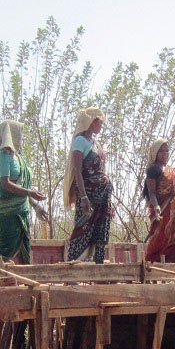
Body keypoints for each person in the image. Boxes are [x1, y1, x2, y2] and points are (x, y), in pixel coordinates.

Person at [0, 120, 47, 264]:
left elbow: (21, 187)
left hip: (22, 209)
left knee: (25, 246)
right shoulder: (3, 156)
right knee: (7, 246)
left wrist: (35, 206)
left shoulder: (19, 157)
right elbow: (5, 183)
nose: (21, 137)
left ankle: (26, 279)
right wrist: (30, 192)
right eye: (18, 134)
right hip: (8, 211)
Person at [62, 107, 111, 263]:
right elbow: (77, 170)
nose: (101, 126)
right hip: (89, 194)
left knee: (101, 231)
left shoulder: (96, 143)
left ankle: (99, 270)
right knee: (82, 229)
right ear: (91, 123)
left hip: (103, 195)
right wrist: (83, 197)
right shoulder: (80, 141)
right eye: (99, 122)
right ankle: (72, 271)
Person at [143, 138, 175, 263]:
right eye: (161, 151)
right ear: (155, 153)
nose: (165, 154)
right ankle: (154, 264)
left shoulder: (172, 171)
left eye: (167, 151)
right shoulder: (153, 170)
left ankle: (173, 264)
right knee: (160, 236)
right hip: (162, 208)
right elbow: (151, 192)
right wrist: (156, 206)